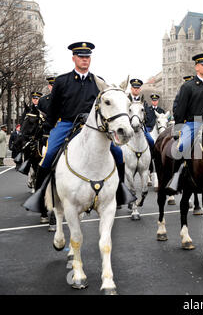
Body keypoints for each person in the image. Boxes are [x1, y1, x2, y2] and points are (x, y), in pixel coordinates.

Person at [25, 41, 135, 215]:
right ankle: (40, 199)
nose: (85, 60)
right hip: (66, 124)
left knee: (118, 153)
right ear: (74, 58)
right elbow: (52, 109)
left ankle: (120, 192)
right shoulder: (62, 81)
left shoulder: (98, 82)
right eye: (81, 57)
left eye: (87, 57)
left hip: (91, 127)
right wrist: (47, 131)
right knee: (49, 156)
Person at [167, 53, 203, 193]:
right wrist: (179, 129)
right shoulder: (188, 86)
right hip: (192, 124)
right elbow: (179, 111)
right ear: (197, 67)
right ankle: (176, 177)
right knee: (182, 147)